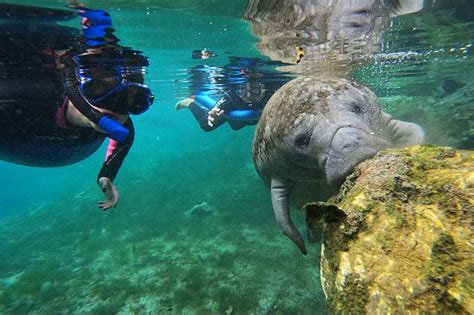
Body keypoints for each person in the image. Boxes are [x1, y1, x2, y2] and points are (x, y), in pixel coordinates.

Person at [0, 4, 154, 210]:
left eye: (135, 101)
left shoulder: (120, 124)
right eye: (98, 89)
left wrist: (106, 176)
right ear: (77, 87)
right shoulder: (19, 98)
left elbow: (125, 140)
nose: (117, 111)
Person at [175, 57, 290, 131]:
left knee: (237, 126)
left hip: (245, 121)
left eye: (254, 89)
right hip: (233, 116)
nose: (248, 95)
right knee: (205, 126)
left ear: (263, 88)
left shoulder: (272, 91)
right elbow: (213, 114)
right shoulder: (231, 97)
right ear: (236, 90)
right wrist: (212, 116)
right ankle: (190, 103)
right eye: (243, 91)